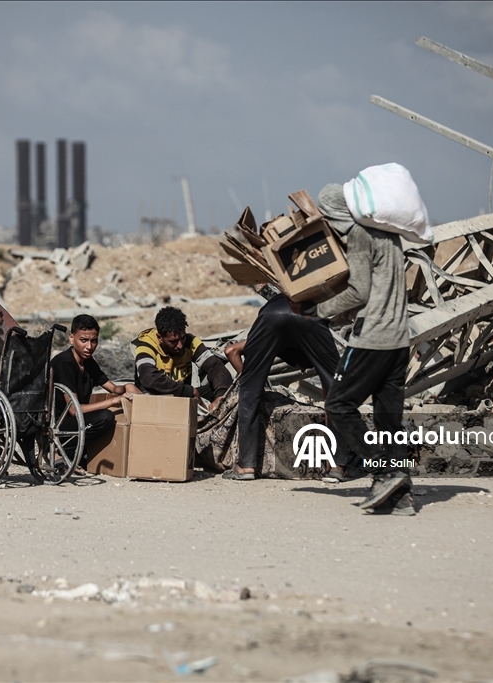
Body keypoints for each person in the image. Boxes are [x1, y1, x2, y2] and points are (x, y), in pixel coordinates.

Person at [311, 183, 415, 514]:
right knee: (389, 422)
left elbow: (359, 291)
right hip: (400, 340)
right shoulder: (390, 235)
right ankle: (401, 500)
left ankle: (381, 471)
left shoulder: (358, 234)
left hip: (373, 340)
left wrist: (320, 310)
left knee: (339, 404)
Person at [221, 293, 340, 480]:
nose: (302, 371)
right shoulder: (311, 334)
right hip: (310, 314)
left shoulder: (276, 335)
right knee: (337, 390)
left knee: (249, 391)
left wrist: (251, 380)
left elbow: (230, 350)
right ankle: (336, 466)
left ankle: (246, 466)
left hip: (271, 314)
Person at [50, 314, 139, 468]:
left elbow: (113, 388)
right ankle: (60, 451)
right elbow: (73, 409)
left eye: (94, 341)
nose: (89, 347)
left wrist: (127, 387)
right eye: (83, 340)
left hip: (76, 421)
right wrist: (113, 400)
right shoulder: (65, 363)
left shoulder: (88, 362)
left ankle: (79, 453)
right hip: (59, 424)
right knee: (105, 417)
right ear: (71, 338)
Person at [131, 306, 232, 410]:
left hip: (183, 395)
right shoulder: (146, 347)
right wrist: (188, 391)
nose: (180, 345)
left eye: (182, 338)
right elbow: (149, 378)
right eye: (173, 341)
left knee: (229, 389)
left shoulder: (190, 342)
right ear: (159, 337)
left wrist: (221, 395)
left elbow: (215, 367)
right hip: (155, 399)